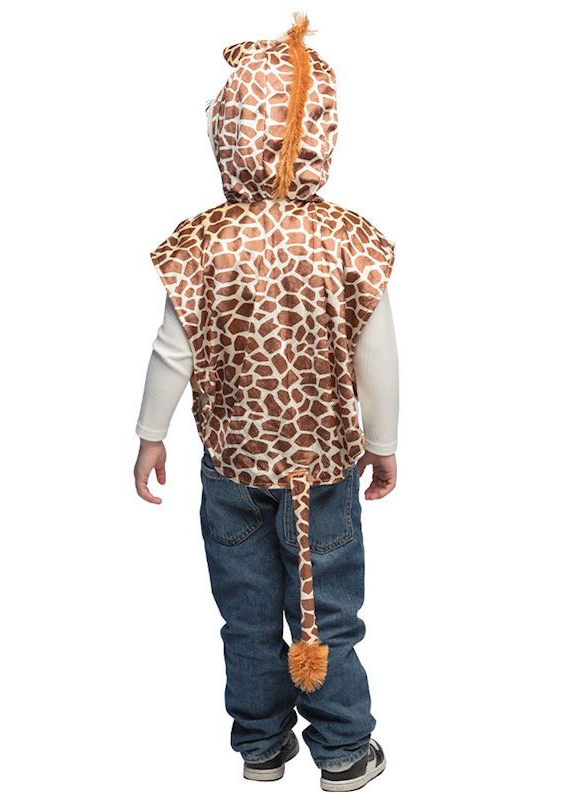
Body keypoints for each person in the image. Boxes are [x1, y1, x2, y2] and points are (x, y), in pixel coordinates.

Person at [133, 13, 398, 792]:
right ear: (318, 130)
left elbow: (172, 349)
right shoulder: (348, 241)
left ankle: (260, 747)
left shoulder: (205, 243)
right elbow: (376, 357)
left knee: (246, 615)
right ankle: (343, 752)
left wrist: (151, 434)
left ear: (228, 133)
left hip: (234, 467)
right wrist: (382, 442)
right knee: (328, 615)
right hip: (323, 468)